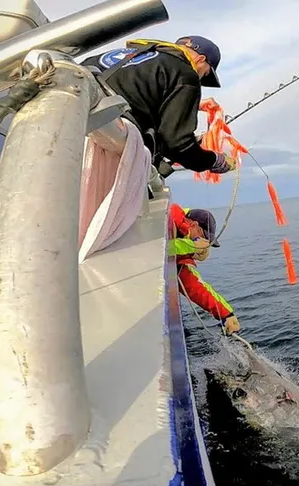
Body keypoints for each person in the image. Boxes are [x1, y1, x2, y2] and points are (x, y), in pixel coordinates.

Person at [80, 35, 236, 177]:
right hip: (102, 152)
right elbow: (178, 146)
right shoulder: (185, 73)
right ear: (200, 60)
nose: (200, 79)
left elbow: (129, 92)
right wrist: (214, 161)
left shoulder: (127, 55)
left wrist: (192, 108)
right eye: (206, 75)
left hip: (70, 125)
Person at [168, 203, 240, 335]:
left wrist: (226, 313)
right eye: (203, 236)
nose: (204, 243)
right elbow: (157, 249)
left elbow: (196, 286)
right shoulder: (170, 218)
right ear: (194, 225)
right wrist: (191, 246)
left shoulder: (181, 257)